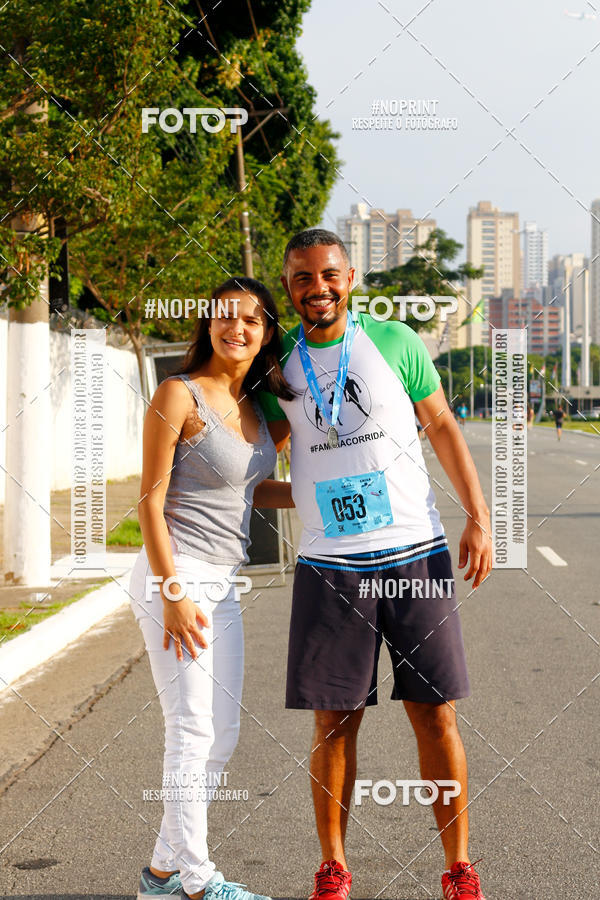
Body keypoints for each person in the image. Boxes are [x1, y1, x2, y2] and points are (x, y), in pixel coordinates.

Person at [259, 230, 492, 900]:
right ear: (290, 287)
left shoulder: (394, 342)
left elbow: (442, 424)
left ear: (350, 276)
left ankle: (458, 867)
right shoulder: (281, 367)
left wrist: (479, 516)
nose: (318, 288)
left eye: (328, 274)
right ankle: (332, 867)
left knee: (435, 714)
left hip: (415, 555)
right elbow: (260, 462)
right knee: (333, 721)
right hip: (331, 567)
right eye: (302, 278)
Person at [129, 277, 294, 900]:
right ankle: (199, 882)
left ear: (266, 332)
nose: (238, 329)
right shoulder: (178, 393)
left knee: (221, 734)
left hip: (223, 579)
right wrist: (172, 590)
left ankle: (162, 873)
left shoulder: (256, 409)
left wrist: (319, 496)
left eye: (252, 321)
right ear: (208, 323)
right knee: (191, 728)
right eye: (226, 317)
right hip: (177, 572)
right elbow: (150, 500)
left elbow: (251, 494)